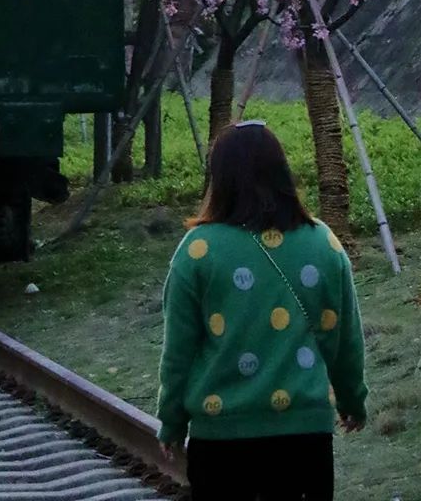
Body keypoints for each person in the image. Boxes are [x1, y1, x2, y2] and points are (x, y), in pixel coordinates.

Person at [156, 119, 368, 500]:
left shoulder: (197, 250)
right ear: (282, 172)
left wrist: (171, 422)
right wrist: (353, 400)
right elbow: (344, 335)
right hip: (305, 439)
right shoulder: (324, 243)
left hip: (221, 441)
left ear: (219, 179)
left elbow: (179, 353)